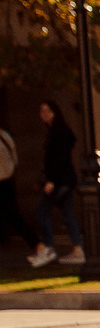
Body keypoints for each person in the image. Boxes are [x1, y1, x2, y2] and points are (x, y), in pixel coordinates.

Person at [29, 98, 82, 269]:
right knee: (67, 215)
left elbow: (59, 159)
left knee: (42, 211)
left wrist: (51, 180)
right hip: (63, 180)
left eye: (47, 111)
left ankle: (49, 248)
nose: (43, 115)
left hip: (59, 181)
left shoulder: (59, 132)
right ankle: (78, 249)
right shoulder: (57, 131)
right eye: (41, 111)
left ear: (55, 112)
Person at [0, 122, 34, 258]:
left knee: (13, 216)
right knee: (13, 216)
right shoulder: (5, 135)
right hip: (8, 179)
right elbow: (15, 158)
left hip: (3, 181)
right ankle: (38, 245)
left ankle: (39, 245)